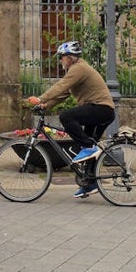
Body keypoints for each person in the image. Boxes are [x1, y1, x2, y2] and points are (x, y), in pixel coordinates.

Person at [27, 40, 116, 198]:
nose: (60, 61)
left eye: (61, 57)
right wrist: (45, 106)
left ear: (69, 57)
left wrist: (40, 99)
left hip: (101, 109)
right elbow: (63, 93)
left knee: (66, 117)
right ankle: (89, 184)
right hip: (100, 110)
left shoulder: (78, 68)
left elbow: (61, 86)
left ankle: (88, 147)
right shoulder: (77, 70)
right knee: (90, 149)